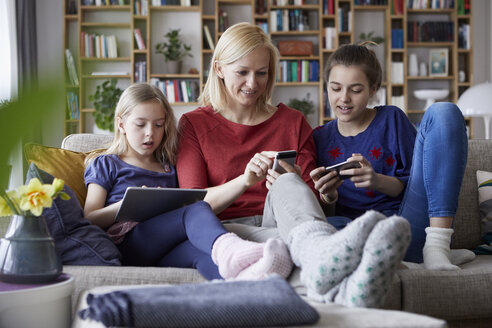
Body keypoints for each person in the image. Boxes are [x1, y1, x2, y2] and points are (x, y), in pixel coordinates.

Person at [177, 22, 411, 308]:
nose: (253, 83)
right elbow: (192, 206)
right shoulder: (193, 124)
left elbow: (318, 208)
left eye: (262, 73)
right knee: (289, 250)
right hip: (230, 231)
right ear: (218, 69)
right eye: (242, 72)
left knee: (288, 183)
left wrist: (304, 185)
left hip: (289, 225)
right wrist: (245, 181)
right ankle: (342, 278)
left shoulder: (292, 122)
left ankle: (327, 260)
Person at [83, 83, 293, 281]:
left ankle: (253, 281)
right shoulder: (106, 164)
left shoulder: (168, 166)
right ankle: (231, 249)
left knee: (202, 255)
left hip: (165, 246)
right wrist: (125, 206)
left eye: (158, 125)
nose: (150, 133)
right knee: (196, 208)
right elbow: (89, 218)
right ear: (121, 124)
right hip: (130, 244)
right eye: (140, 125)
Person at [311, 43, 475, 270]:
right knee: (327, 231)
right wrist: (329, 196)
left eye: (356, 90)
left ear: (373, 89)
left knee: (444, 112)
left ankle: (436, 248)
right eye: (335, 88)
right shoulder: (319, 138)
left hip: (404, 224)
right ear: (326, 88)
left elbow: (421, 186)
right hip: (355, 235)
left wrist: (376, 180)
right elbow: (324, 212)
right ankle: (412, 259)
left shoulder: (391, 119)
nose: (344, 98)